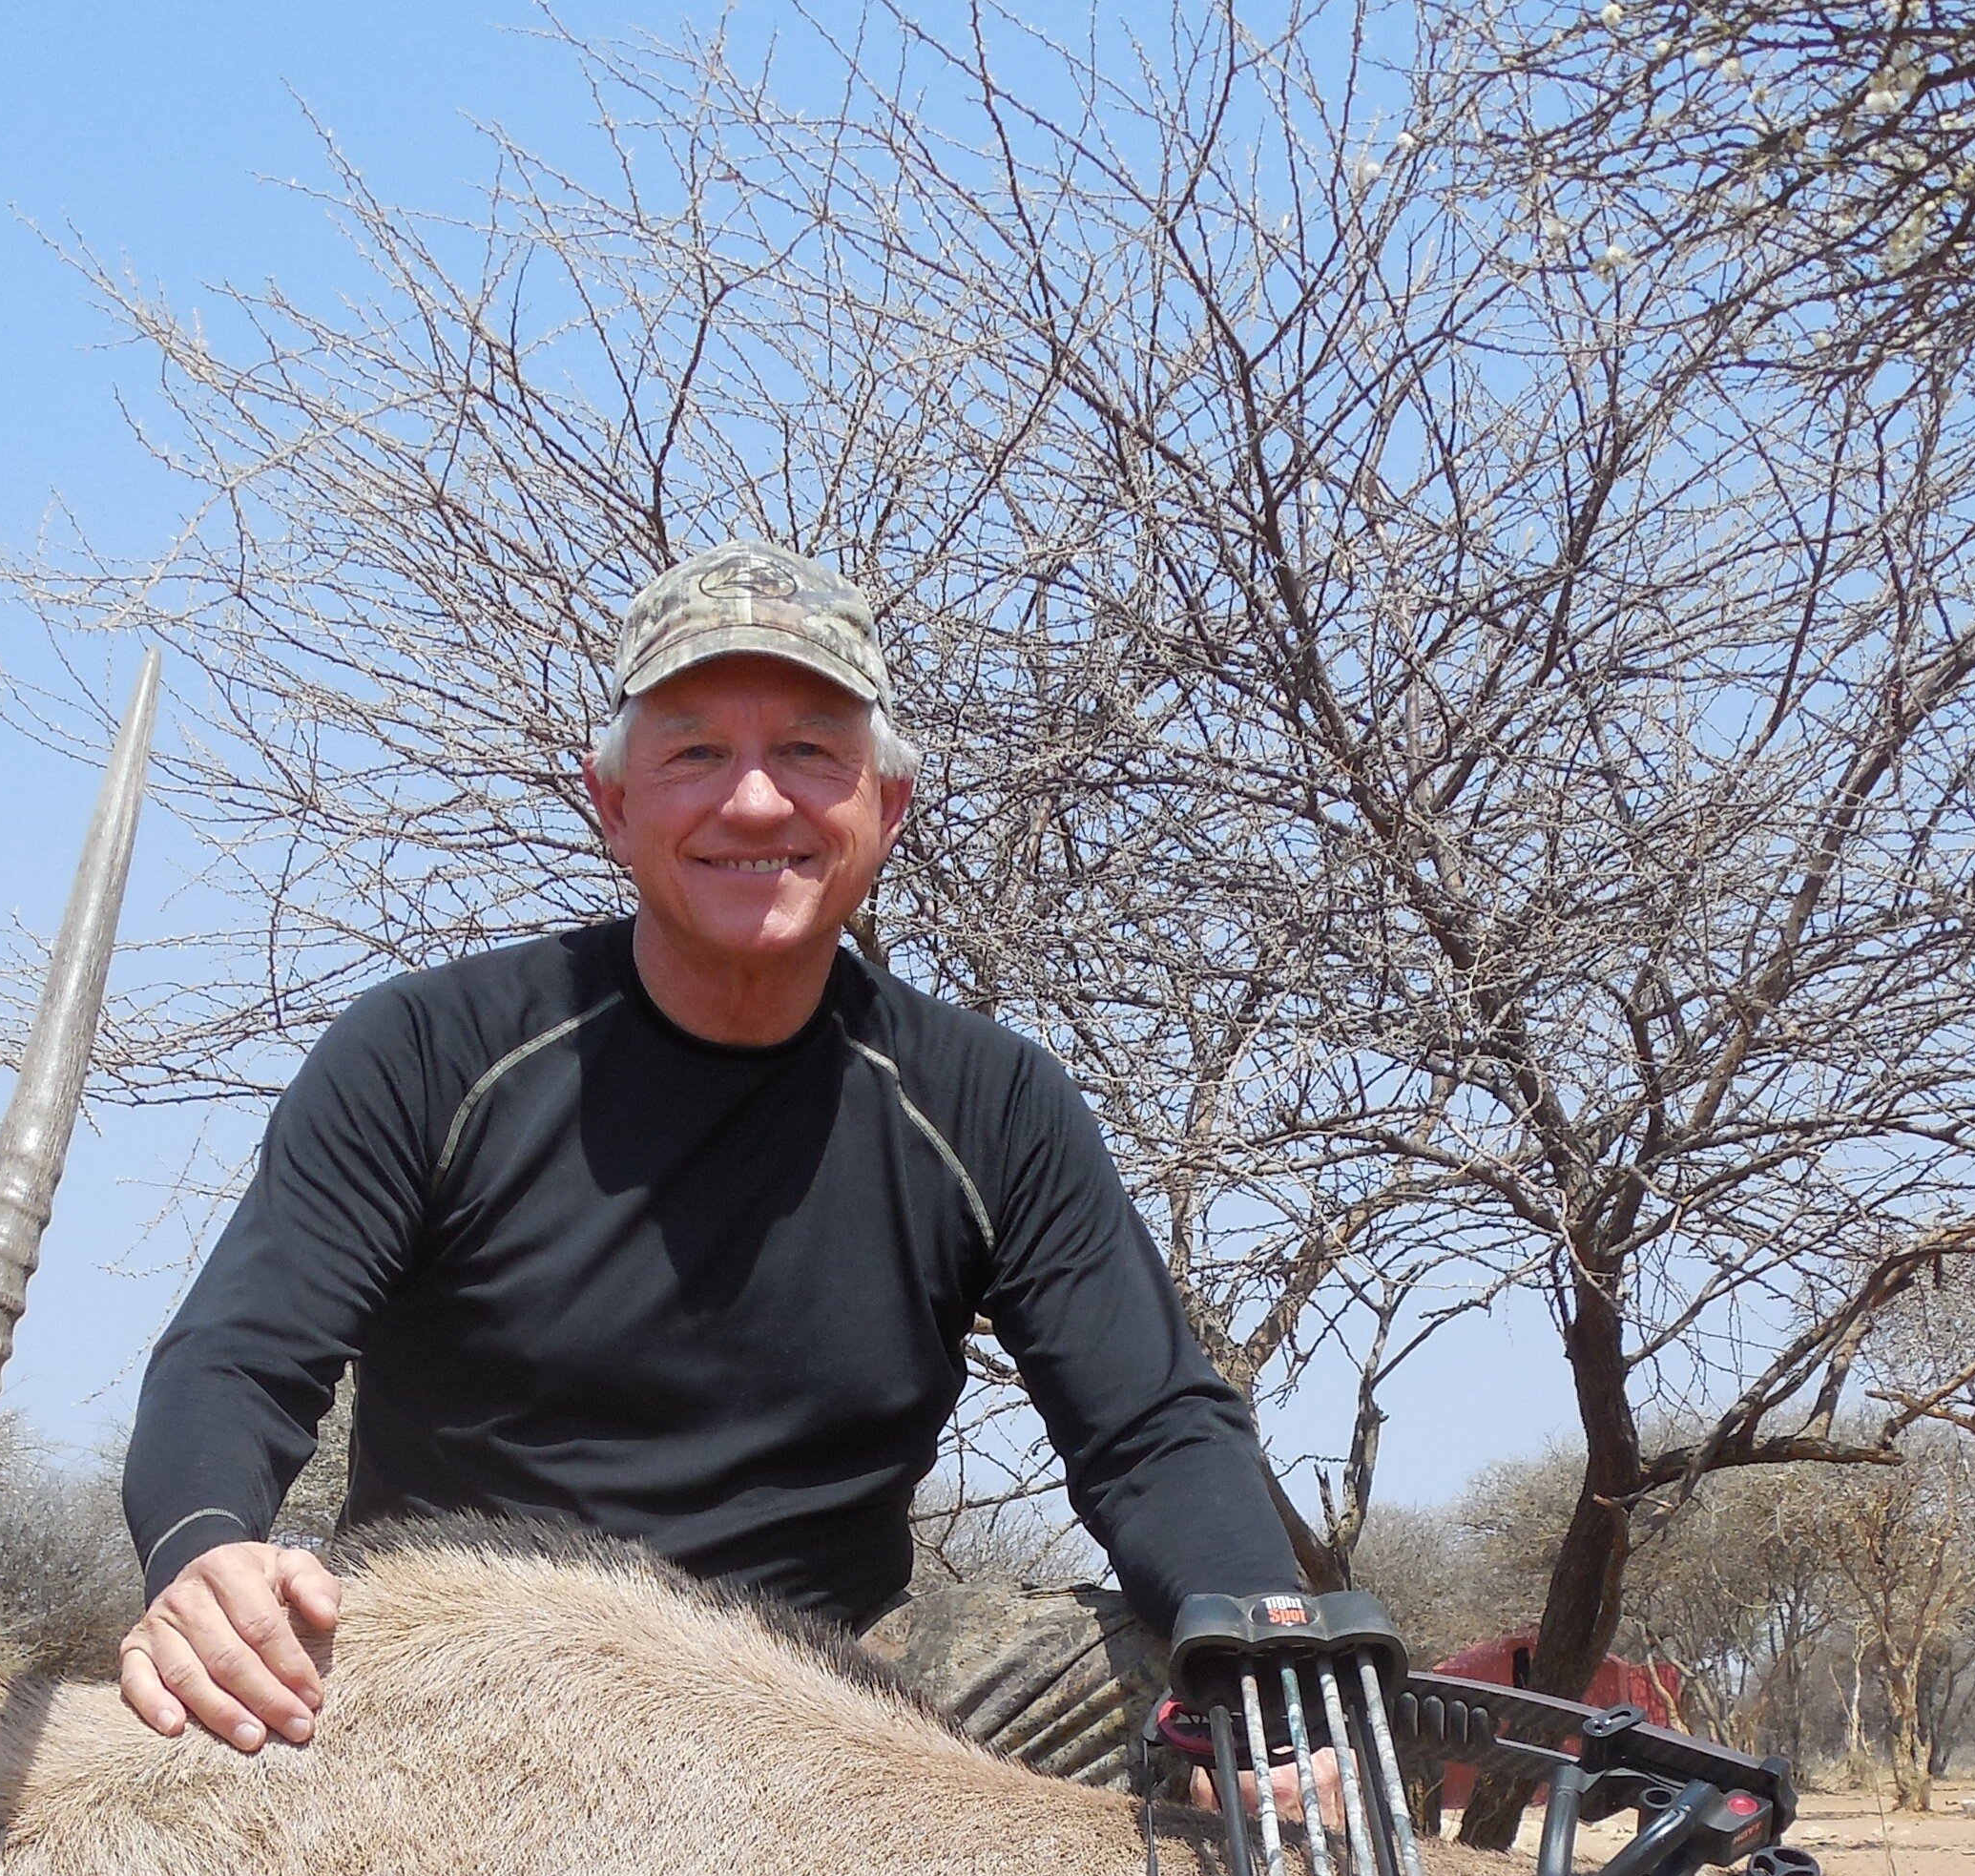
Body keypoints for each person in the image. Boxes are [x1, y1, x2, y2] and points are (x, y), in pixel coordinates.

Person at [114, 539, 1302, 1774]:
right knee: (210, 1696)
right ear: (613, 804)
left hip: (822, 1697)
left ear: (883, 808)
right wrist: (203, 1549)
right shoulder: (424, 1049)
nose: (752, 803)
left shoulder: (995, 1104)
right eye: (694, 753)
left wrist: (1270, 1649)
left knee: (1186, 1672)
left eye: (807, 752)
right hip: (456, 1685)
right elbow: (239, 1356)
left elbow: (1154, 1426)